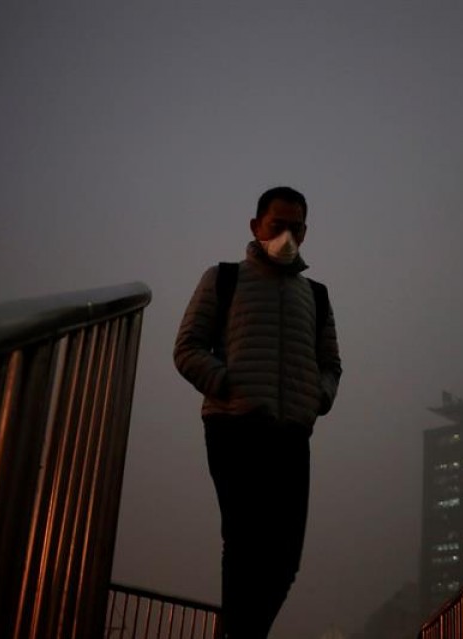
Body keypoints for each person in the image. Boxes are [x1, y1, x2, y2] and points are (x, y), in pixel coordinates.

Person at [174, 186, 342, 638]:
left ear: (306, 232)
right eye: (277, 225)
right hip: (234, 427)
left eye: (296, 227)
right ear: (256, 226)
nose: (287, 235)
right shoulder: (223, 278)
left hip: (291, 435)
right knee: (246, 544)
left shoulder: (317, 295)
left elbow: (332, 364)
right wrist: (227, 384)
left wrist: (317, 398)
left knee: (285, 558)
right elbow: (187, 348)